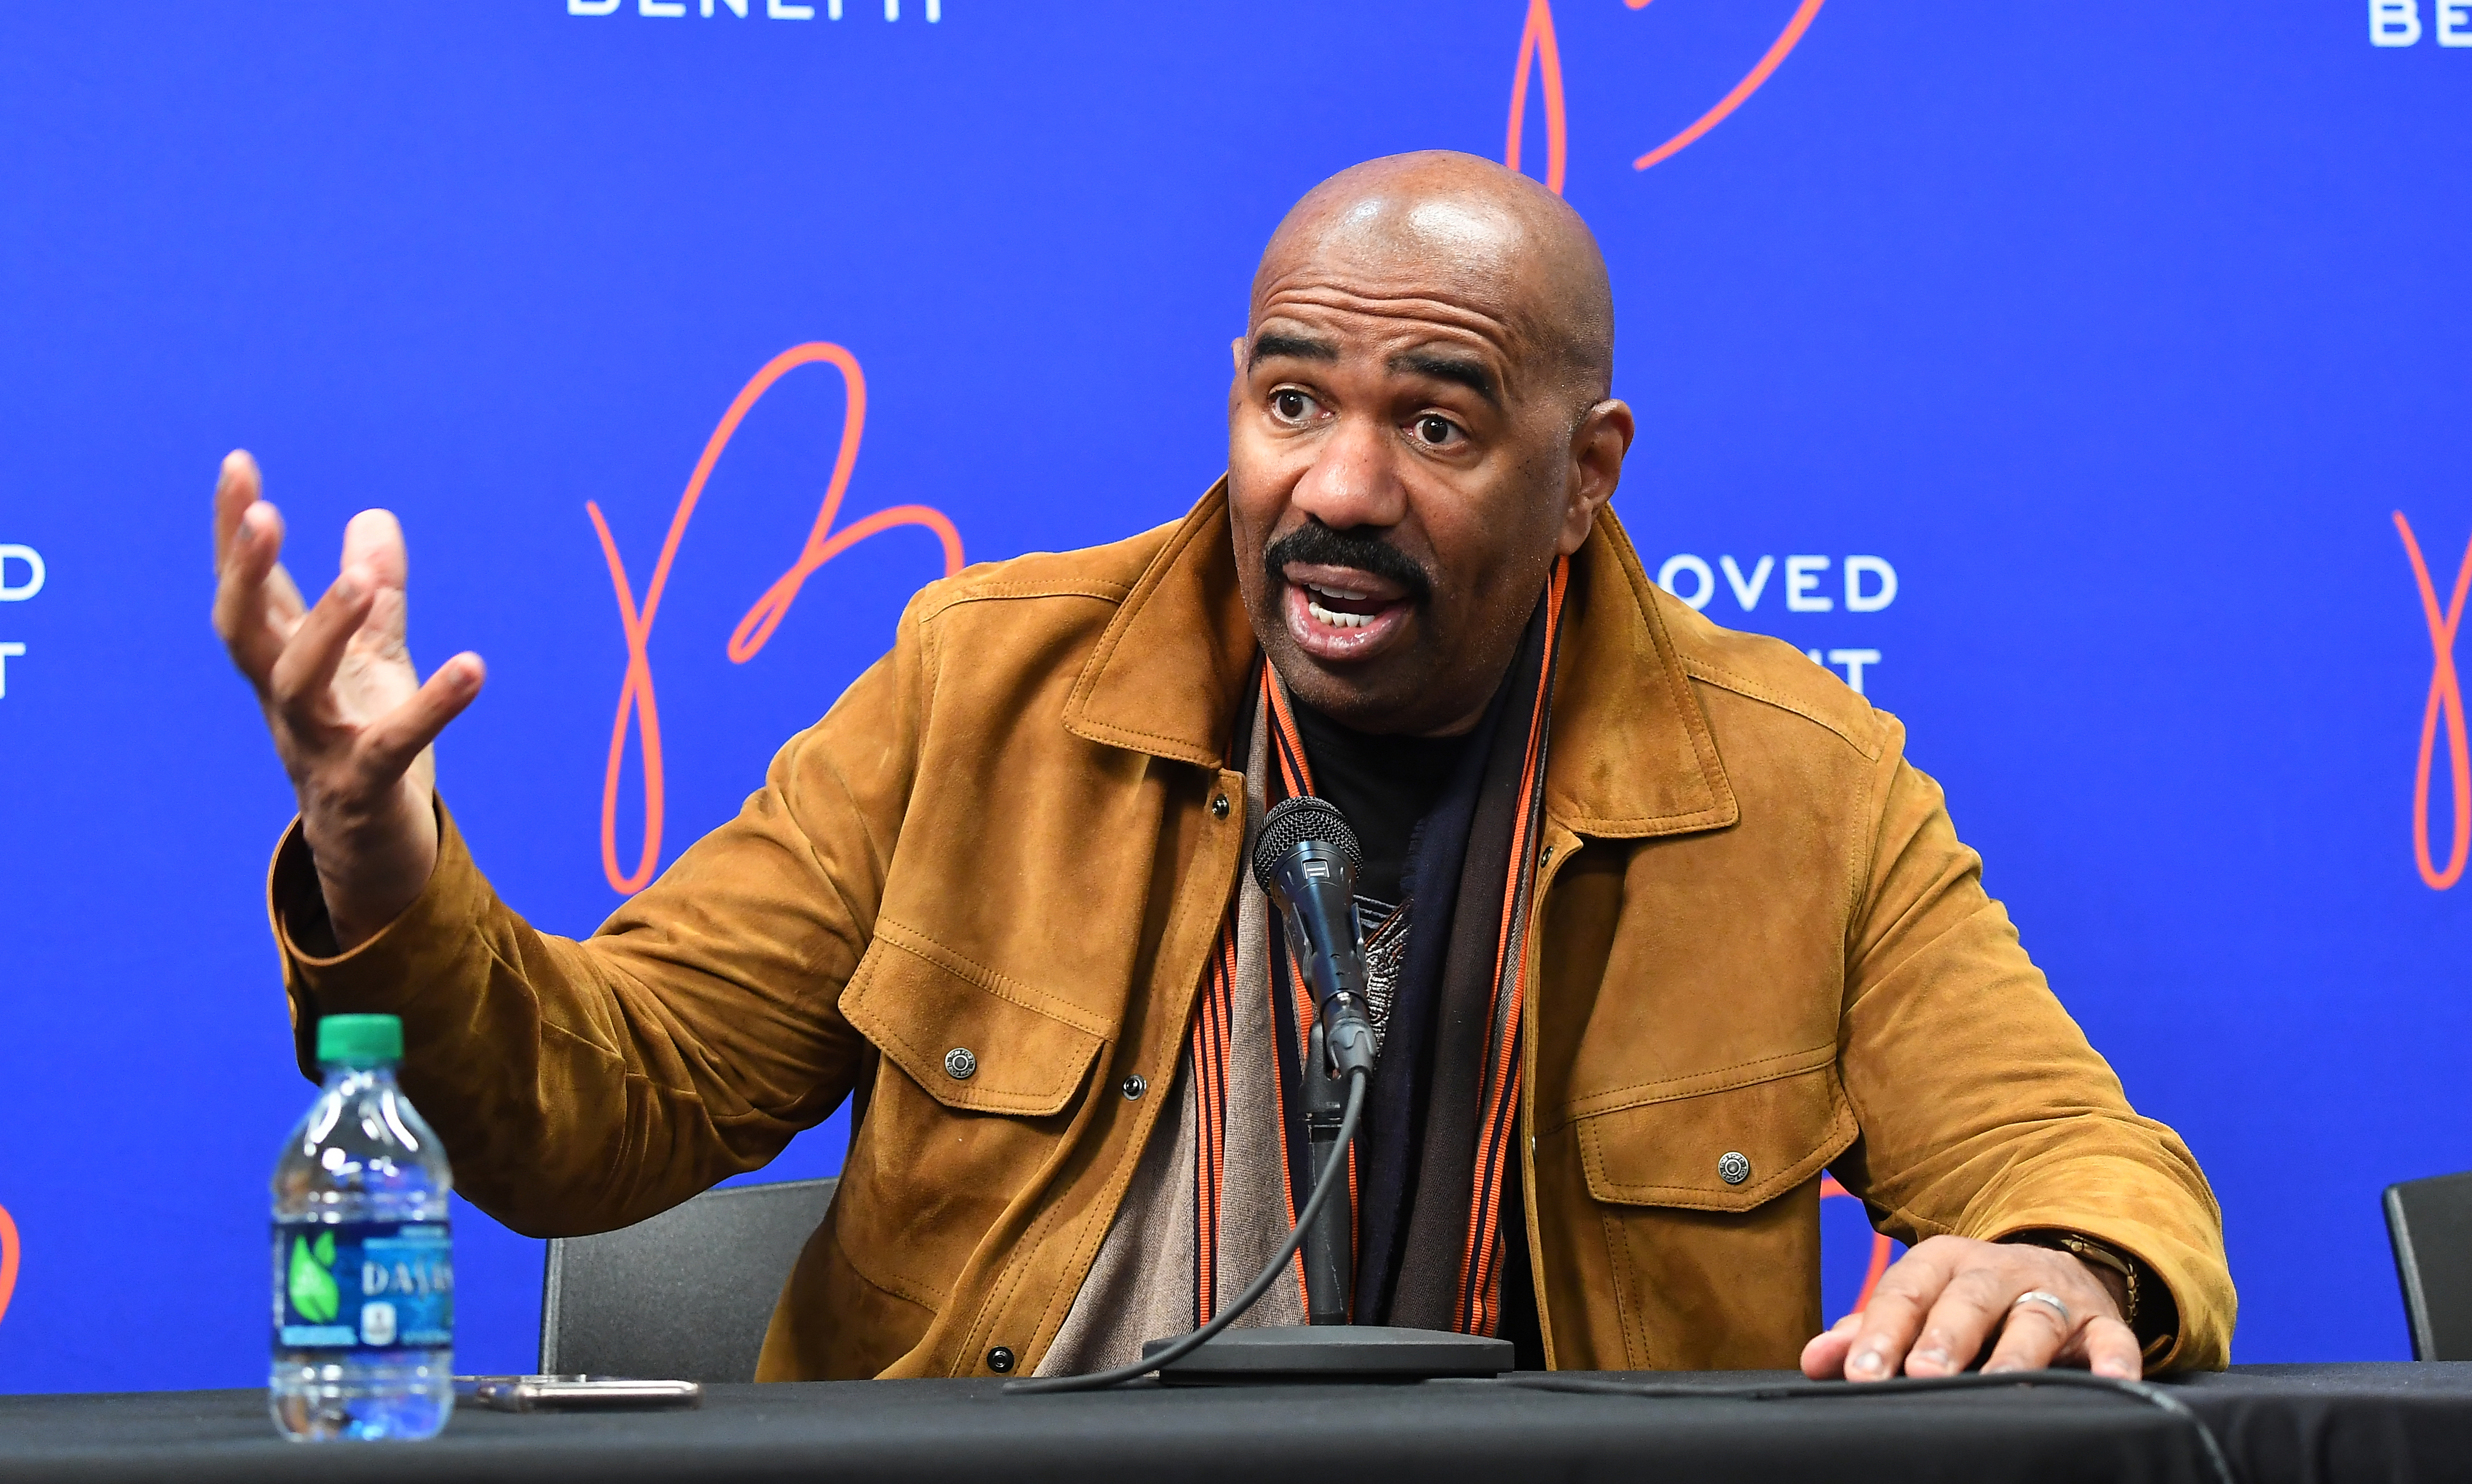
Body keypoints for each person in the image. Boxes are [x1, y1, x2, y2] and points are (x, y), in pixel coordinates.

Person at [211, 151, 2232, 1382]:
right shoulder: (983, 689)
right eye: (1290, 398)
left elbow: (2084, 1161)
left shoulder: (1797, 784)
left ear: (1585, 478)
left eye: (1437, 426)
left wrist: (2062, 1261)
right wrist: (382, 857)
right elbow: (600, 1112)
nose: (1336, 487)